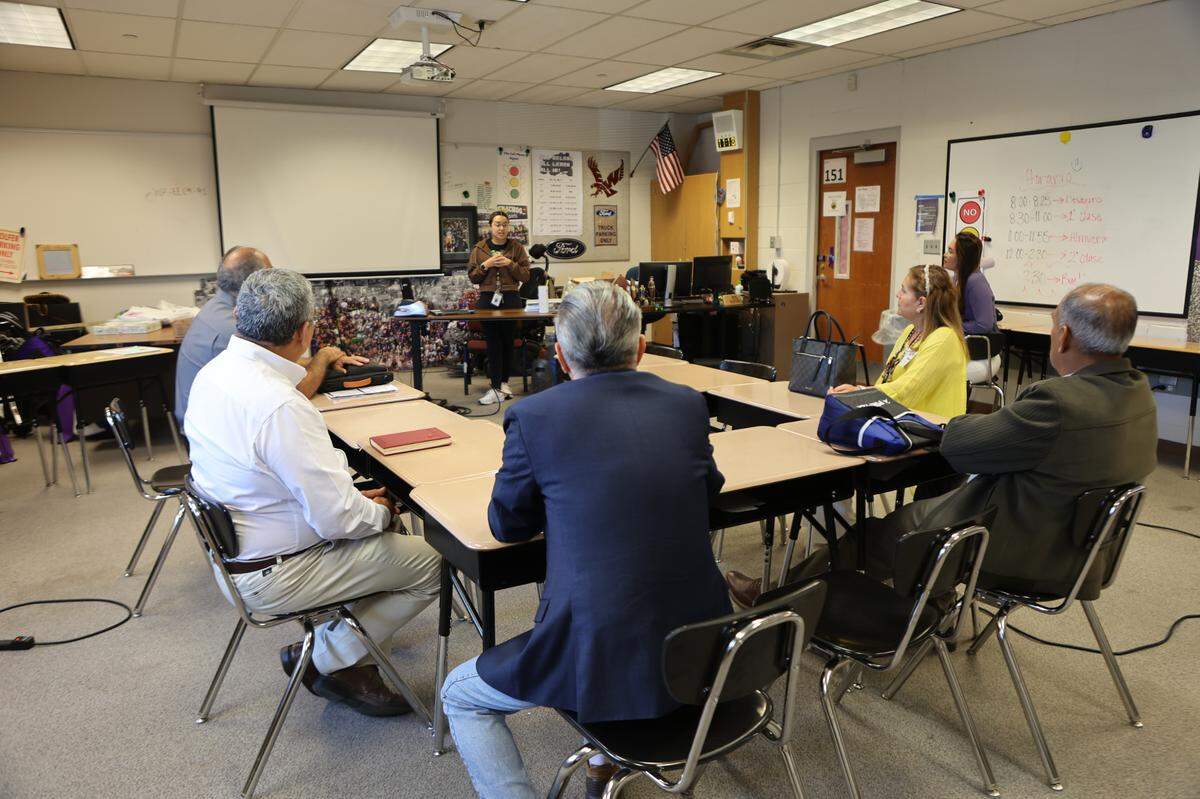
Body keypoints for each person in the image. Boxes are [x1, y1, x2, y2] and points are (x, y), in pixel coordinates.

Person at [439, 281, 732, 799]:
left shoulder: (534, 416)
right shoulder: (687, 404)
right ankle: (601, 763)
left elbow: (508, 526)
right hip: (705, 644)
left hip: (599, 647)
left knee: (460, 695)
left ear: (559, 356)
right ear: (641, 349)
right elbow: (708, 488)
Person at [727, 283, 1157, 605]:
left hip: (1014, 548)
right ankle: (929, 600)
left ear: (1063, 336)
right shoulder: (1138, 392)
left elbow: (963, 447)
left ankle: (776, 601)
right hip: (1083, 552)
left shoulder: (1057, 404)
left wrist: (964, 425)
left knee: (873, 534)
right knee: (907, 517)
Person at [185, 269, 441, 717]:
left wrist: (360, 504)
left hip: (238, 556)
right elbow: (339, 520)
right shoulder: (280, 405)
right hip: (278, 573)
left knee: (374, 520)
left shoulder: (215, 374)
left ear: (239, 316)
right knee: (436, 563)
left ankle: (348, 656)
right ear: (304, 332)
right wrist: (381, 511)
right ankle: (327, 658)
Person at [174, 246, 367, 425]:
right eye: (270, 274)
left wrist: (323, 360)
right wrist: (323, 358)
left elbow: (272, 362)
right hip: (223, 427)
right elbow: (293, 390)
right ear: (255, 282)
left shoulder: (217, 309)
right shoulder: (235, 329)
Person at [831, 264, 967, 419]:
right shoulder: (910, 331)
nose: (898, 295)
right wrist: (857, 396)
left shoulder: (944, 339)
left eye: (903, 290)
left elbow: (908, 390)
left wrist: (860, 394)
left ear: (921, 303)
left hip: (931, 427)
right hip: (903, 419)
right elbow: (886, 379)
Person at [466, 211, 531, 406]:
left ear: (508, 226)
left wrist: (510, 264)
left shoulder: (517, 248)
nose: (501, 228)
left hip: (511, 298)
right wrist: (486, 265)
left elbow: (525, 276)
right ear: (490, 226)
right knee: (493, 343)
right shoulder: (479, 248)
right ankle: (495, 386)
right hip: (488, 299)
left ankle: (503, 384)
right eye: (497, 224)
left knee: (508, 343)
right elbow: (473, 277)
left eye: (504, 224)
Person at [944, 231, 1001, 384]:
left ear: (962, 257)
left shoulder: (975, 282)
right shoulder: (957, 279)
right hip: (966, 345)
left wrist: (951, 325)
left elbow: (984, 324)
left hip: (980, 349)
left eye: (950, 251)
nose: (945, 255)